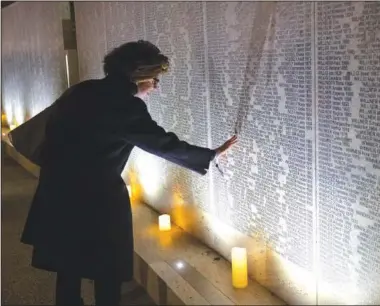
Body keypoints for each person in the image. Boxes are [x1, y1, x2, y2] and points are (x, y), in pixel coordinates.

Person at [20, 40, 237, 306]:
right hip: (99, 199)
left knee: (69, 266)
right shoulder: (124, 105)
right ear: (140, 74)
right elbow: (162, 143)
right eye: (156, 80)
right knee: (107, 269)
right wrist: (210, 154)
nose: (156, 87)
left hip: (58, 190)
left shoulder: (81, 91)